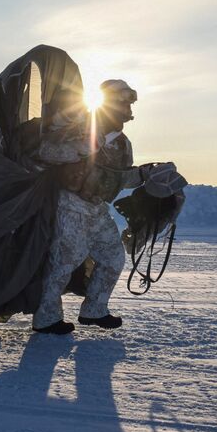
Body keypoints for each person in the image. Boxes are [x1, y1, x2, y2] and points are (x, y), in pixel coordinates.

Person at [32, 80, 150, 334]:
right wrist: (83, 146)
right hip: (70, 205)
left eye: (130, 102)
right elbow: (47, 151)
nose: (129, 107)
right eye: (124, 101)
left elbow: (120, 177)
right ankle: (47, 318)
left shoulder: (122, 143)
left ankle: (95, 310)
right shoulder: (79, 126)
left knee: (113, 257)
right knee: (63, 262)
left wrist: (145, 174)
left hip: (97, 209)